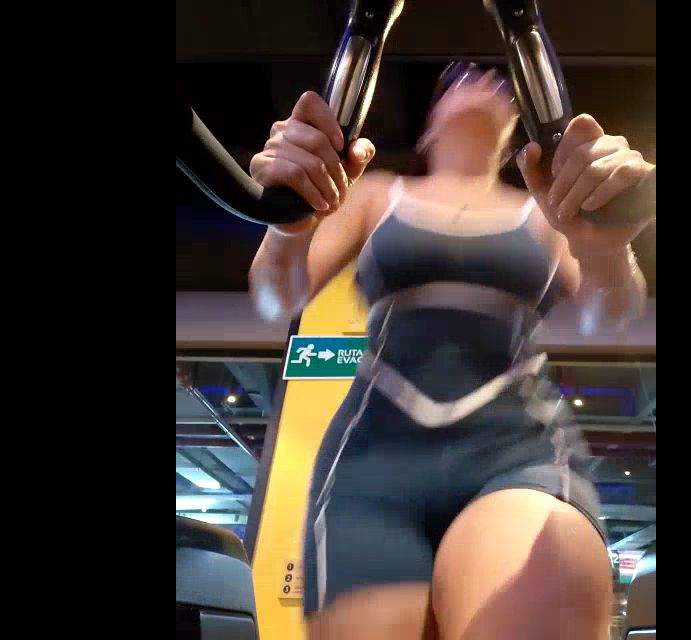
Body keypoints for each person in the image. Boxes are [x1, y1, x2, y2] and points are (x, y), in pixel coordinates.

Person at [248, 63, 654, 640]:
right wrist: (286, 223)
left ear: (514, 130)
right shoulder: (375, 194)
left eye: (496, 82)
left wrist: (608, 249)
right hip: (373, 463)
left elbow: (608, 314)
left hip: (517, 450)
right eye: (460, 78)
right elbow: (278, 297)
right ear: (428, 126)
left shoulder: (545, 213)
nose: (482, 83)